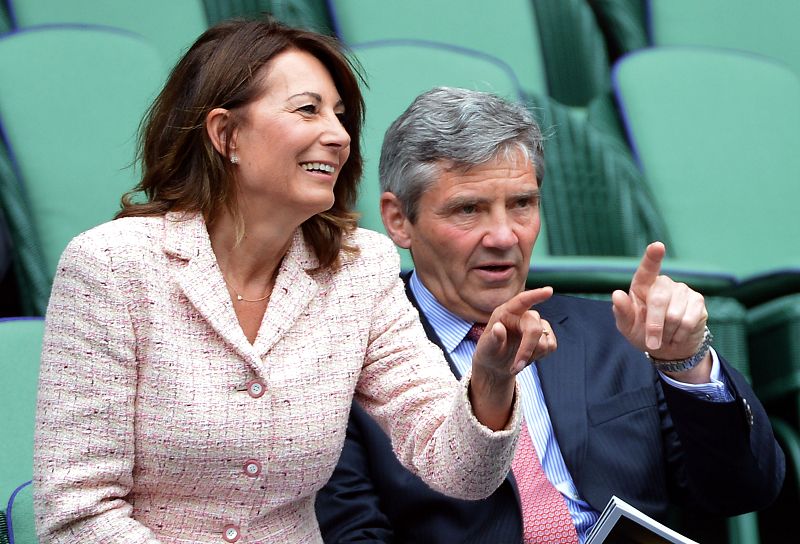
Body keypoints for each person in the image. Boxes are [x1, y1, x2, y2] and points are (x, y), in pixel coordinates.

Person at [32, 22, 554, 544]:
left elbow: (461, 473)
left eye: (340, 116)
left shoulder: (358, 268)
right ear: (226, 134)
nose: (339, 136)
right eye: (308, 110)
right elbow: (78, 513)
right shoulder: (112, 265)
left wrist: (490, 381)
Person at [316, 87, 785, 543]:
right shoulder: (349, 362)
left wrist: (686, 364)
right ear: (398, 220)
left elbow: (745, 489)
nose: (504, 236)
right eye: (469, 209)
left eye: (522, 204)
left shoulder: (617, 333)